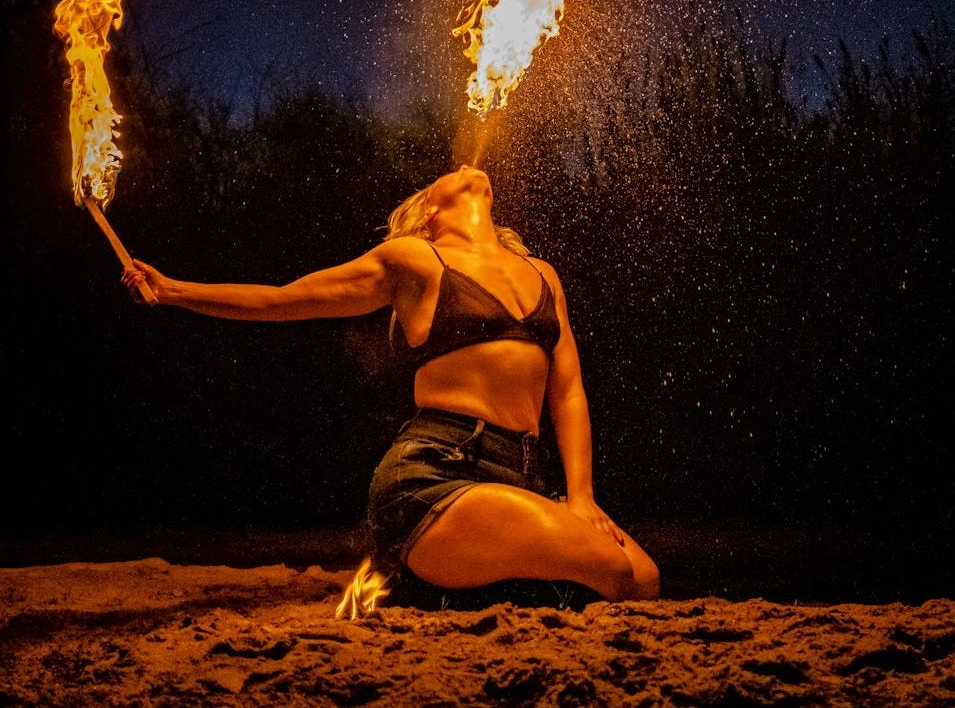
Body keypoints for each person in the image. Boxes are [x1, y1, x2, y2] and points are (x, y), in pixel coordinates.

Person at [121, 164, 660, 604]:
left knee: (645, 578)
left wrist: (582, 497)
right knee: (611, 568)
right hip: (438, 474)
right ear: (430, 211)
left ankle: (453, 589)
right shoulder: (415, 259)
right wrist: (173, 291)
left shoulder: (542, 273)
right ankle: (423, 570)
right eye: (446, 174)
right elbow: (283, 299)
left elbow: (567, 392)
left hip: (522, 478)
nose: (464, 165)